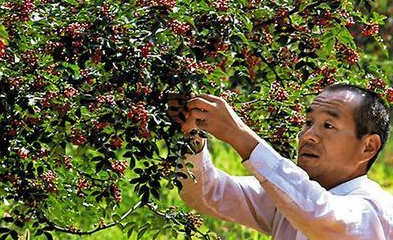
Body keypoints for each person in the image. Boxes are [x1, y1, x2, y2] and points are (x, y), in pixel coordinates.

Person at [167, 83, 393, 239]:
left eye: (329, 126)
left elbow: (320, 214)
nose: (307, 135)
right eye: (308, 122)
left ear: (368, 146)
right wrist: (192, 135)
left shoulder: (374, 208)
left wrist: (239, 134)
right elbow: (207, 192)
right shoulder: (288, 198)